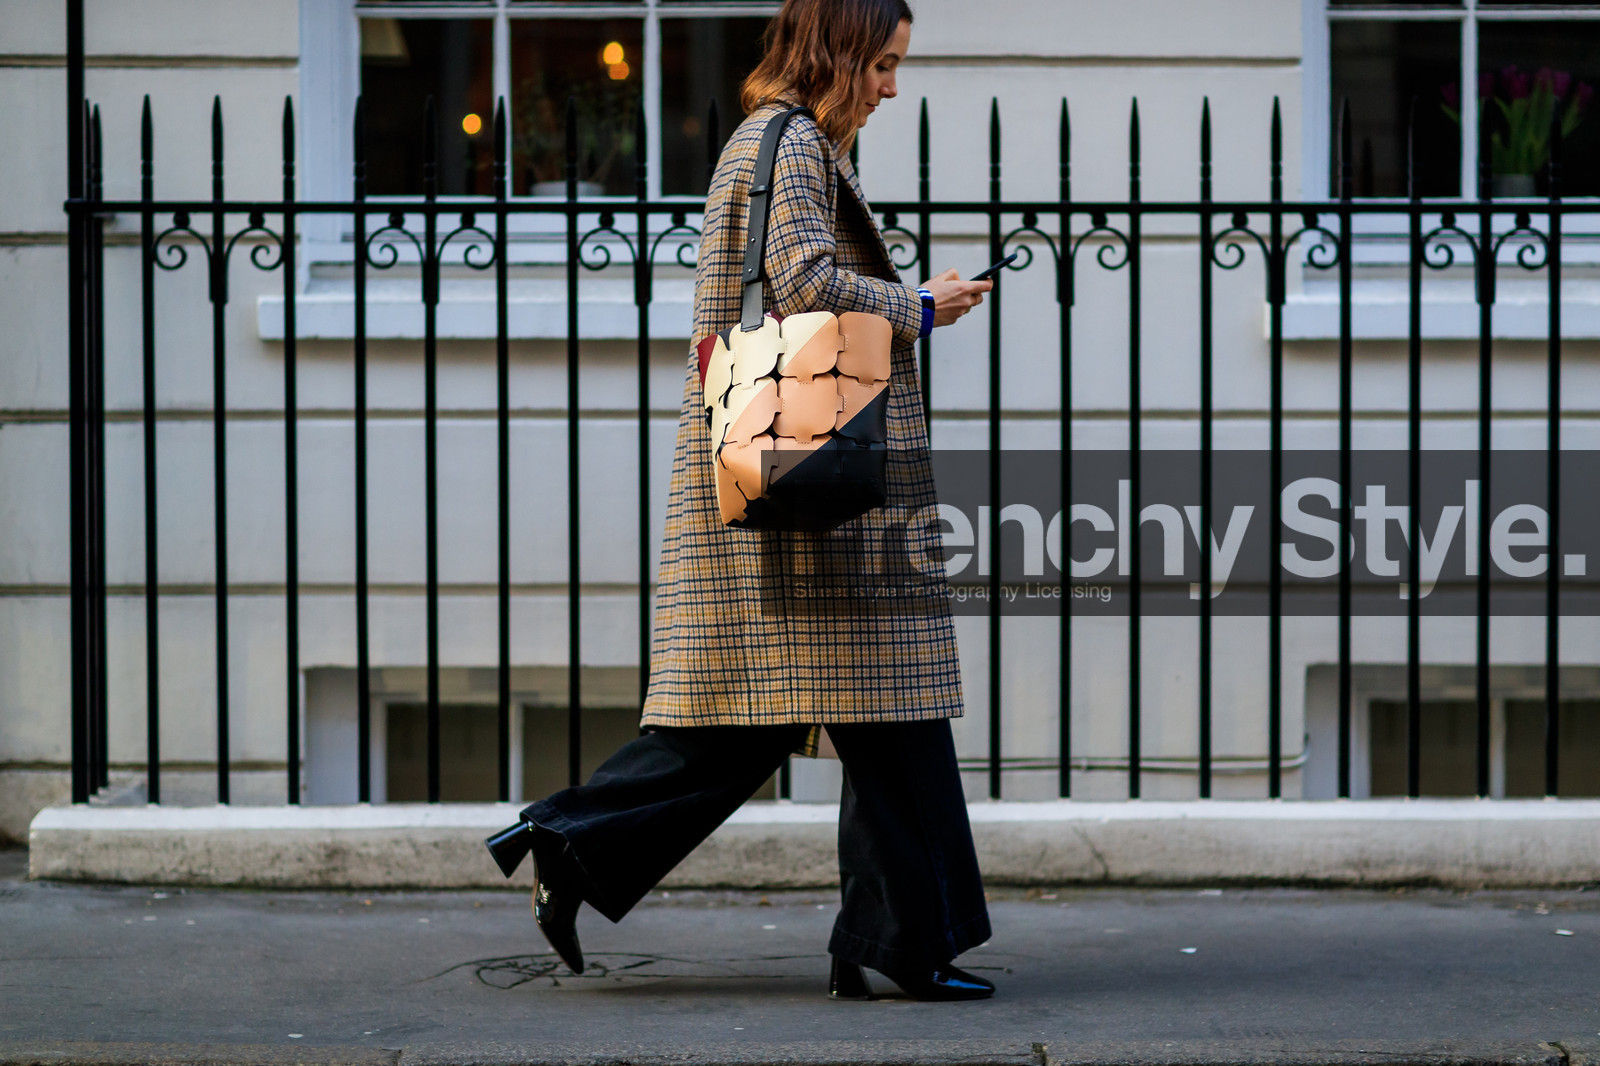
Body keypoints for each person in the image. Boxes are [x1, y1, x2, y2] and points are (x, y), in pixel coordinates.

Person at [485, 0, 996, 1003]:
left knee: (801, 715)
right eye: (882, 64)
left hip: (790, 471)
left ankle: (580, 849)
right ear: (837, 52)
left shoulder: (781, 141)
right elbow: (802, 285)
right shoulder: (790, 142)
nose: (892, 87)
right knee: (876, 707)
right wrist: (920, 306)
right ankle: (895, 939)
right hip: (807, 479)